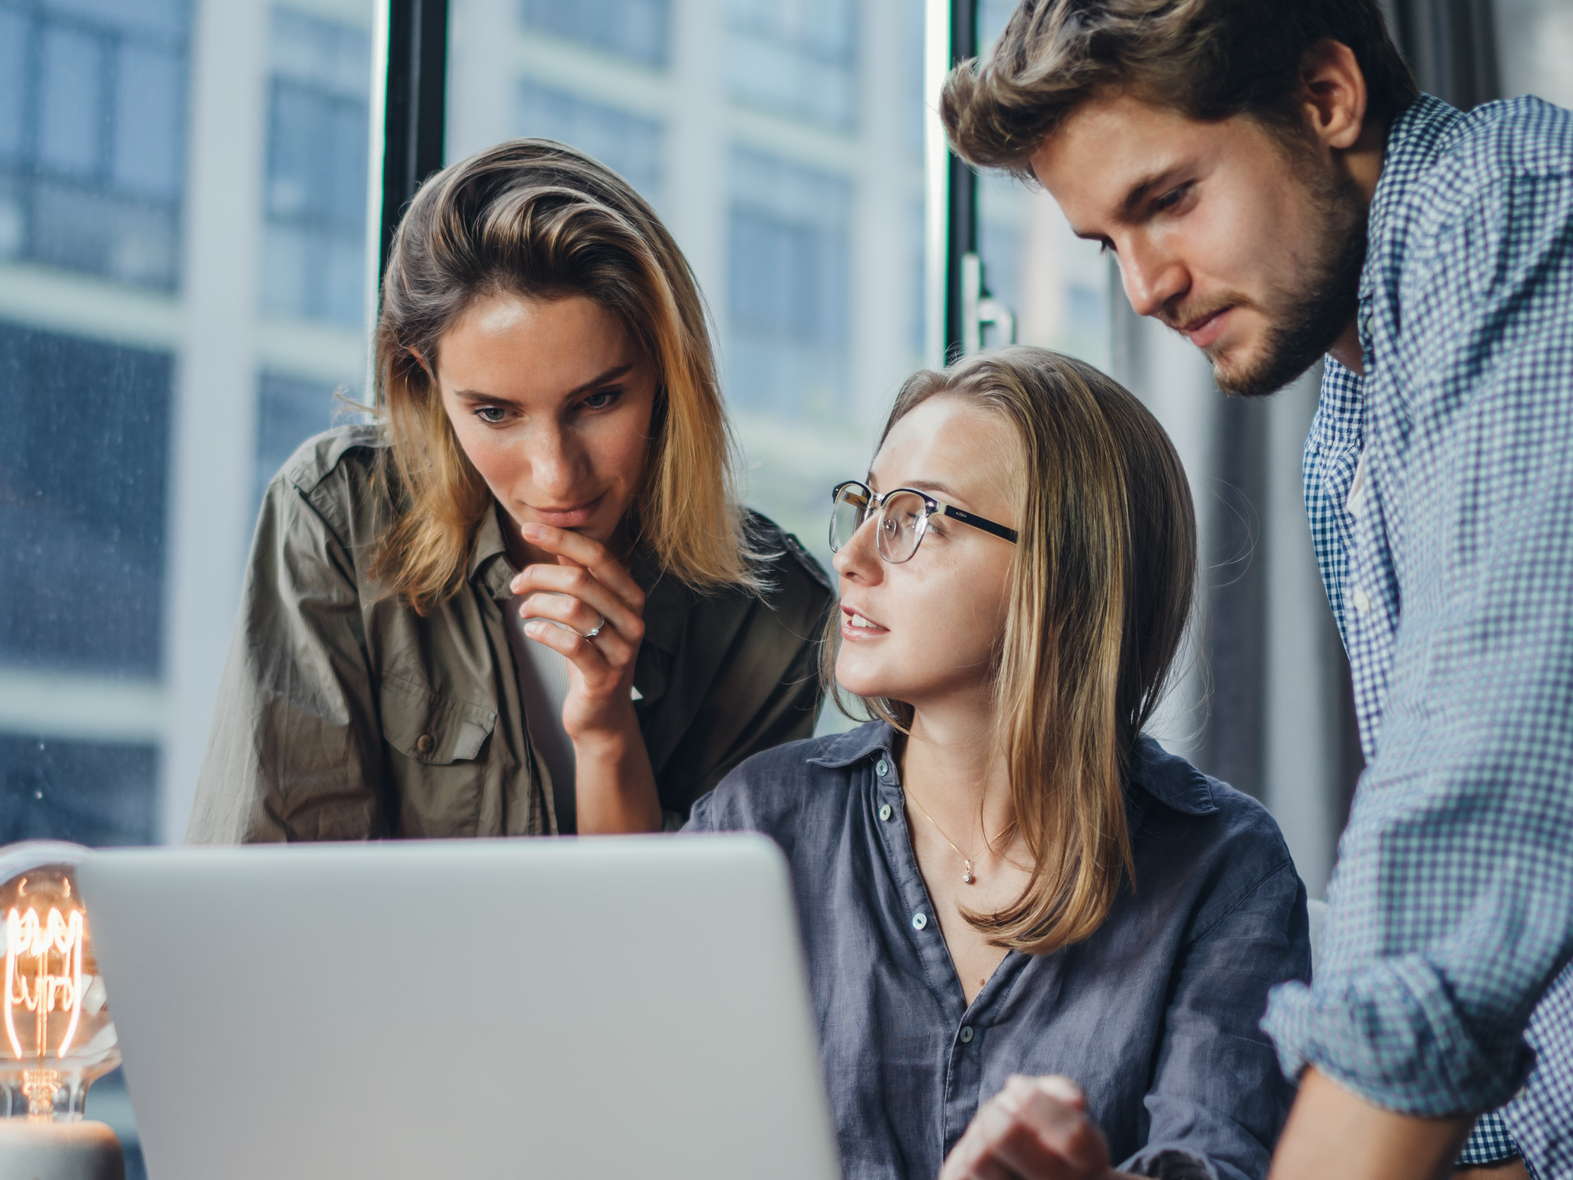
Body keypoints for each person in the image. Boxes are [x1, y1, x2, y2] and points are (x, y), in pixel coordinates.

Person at [942, 2, 1573, 1178]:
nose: (1142, 287)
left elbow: (1476, 808)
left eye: (1166, 198)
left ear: (1324, 98)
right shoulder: (1351, 423)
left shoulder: (1508, 215)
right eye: (1103, 242)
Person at [685, 347, 1311, 1180]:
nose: (852, 555)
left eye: (920, 517)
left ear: (1064, 573)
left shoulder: (1226, 868)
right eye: (868, 504)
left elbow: (1215, 1160)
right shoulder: (757, 822)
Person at [187, 140, 830, 842]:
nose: (556, 476)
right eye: (494, 413)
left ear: (667, 378)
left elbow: (682, 939)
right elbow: (272, 898)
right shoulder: (337, 516)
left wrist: (607, 736)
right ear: (425, 383)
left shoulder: (774, 617)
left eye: (599, 400)